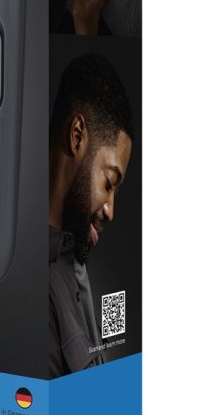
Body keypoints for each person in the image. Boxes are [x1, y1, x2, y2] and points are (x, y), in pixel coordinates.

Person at [48, 53, 134, 378]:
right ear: (77, 136)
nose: (111, 210)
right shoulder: (33, 285)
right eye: (109, 182)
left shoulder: (76, 270)